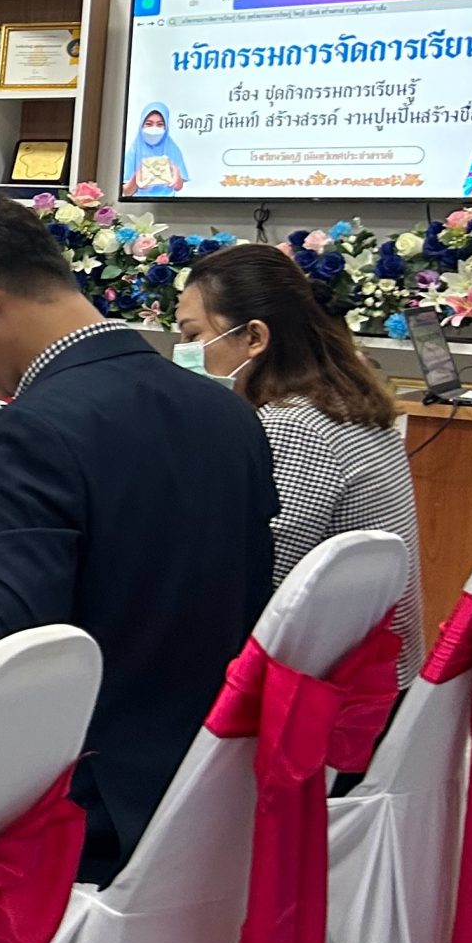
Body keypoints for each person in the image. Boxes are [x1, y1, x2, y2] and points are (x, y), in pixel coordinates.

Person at [0, 195, 275, 882]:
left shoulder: (35, 427)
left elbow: (6, 629)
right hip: (203, 778)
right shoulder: (226, 410)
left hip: (74, 800)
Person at [176, 242, 423, 679]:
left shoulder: (294, 426)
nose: (182, 352)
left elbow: (259, 579)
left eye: (193, 336)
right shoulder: (345, 400)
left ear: (254, 337)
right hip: (372, 673)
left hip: (326, 690)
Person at [123, 102, 190, 196]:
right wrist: (136, 180)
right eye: (149, 124)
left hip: (168, 202)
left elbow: (178, 187)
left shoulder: (172, 149)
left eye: (160, 124)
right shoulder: (134, 150)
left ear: (166, 127)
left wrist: (176, 175)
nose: (154, 128)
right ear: (141, 125)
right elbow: (126, 192)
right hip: (138, 202)